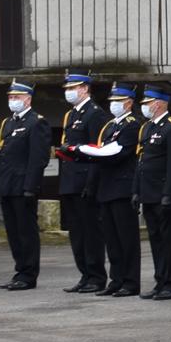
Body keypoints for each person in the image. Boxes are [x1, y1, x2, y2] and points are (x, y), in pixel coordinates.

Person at [0, 81, 51, 291]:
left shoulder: (36, 123)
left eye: (16, 98)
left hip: (23, 187)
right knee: (14, 232)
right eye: (10, 98)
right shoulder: (8, 123)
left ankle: (28, 275)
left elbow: (38, 159)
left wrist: (31, 187)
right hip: (7, 187)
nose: (12, 101)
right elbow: (4, 159)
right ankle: (20, 271)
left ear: (28, 99)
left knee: (26, 232)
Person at [55, 69, 108, 293]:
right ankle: (85, 274)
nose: (69, 92)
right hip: (70, 181)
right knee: (76, 232)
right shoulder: (73, 115)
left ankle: (96, 276)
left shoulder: (94, 114)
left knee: (91, 232)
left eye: (72, 88)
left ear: (84, 89)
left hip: (86, 180)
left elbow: (97, 150)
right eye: (67, 89)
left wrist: (91, 183)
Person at [89, 84, 143, 297]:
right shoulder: (110, 126)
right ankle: (116, 279)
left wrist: (94, 153)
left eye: (117, 101)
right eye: (112, 101)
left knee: (126, 238)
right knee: (112, 238)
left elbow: (119, 153)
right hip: (106, 187)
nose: (113, 105)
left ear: (128, 103)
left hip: (123, 187)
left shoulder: (132, 125)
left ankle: (130, 282)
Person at [134, 83, 171, 301]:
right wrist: (136, 191)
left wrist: (169, 193)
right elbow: (141, 162)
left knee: (169, 241)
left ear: (159, 103)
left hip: (165, 195)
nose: (145, 107)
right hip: (148, 194)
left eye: (148, 103)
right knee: (155, 240)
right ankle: (160, 281)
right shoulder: (147, 128)